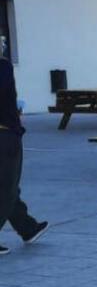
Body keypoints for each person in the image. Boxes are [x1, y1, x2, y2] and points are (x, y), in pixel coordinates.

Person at [0, 57, 49, 255]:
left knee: (7, 185)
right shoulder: (2, 66)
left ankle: (27, 227)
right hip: (5, 134)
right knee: (7, 188)